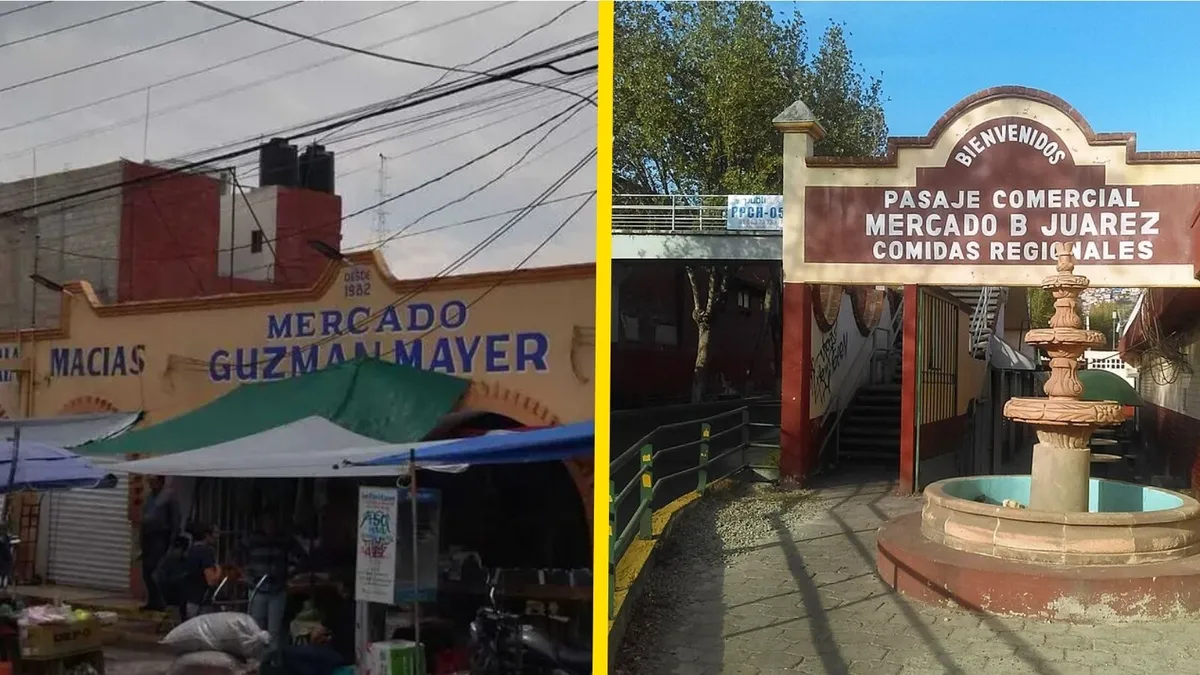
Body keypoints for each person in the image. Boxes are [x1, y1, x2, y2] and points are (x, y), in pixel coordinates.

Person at [240, 513, 305, 648]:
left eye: (273, 522)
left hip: (277, 588)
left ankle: (273, 661)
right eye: (268, 522)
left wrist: (291, 573)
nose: (271, 526)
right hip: (257, 587)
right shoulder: (252, 538)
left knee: (274, 630)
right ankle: (256, 660)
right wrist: (245, 573)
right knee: (255, 628)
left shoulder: (284, 539)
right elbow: (235, 555)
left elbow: (302, 557)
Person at [139, 475, 179, 612]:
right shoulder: (149, 496)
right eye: (149, 482)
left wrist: (173, 541)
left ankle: (162, 602)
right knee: (146, 571)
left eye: (153, 482)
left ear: (161, 482)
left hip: (161, 537)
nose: (151, 484)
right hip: (147, 537)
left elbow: (175, 520)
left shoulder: (168, 497)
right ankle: (152, 601)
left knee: (156, 571)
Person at [183, 524, 222, 620]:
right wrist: (219, 570)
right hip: (202, 602)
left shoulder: (190, 550)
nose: (218, 536)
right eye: (215, 533)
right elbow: (211, 581)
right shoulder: (205, 552)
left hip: (190, 599)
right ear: (207, 535)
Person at [153, 535, 190, 623]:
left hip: (176, 593)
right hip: (172, 595)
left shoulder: (181, 561)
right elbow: (162, 579)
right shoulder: (168, 562)